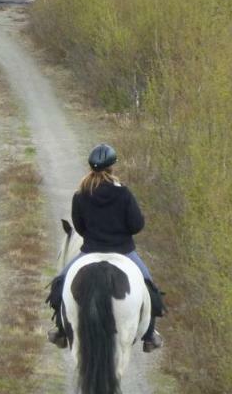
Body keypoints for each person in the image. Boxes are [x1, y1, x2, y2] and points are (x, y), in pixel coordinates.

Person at [47, 143, 164, 352]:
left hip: (90, 251)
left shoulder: (80, 195)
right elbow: (137, 225)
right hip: (124, 252)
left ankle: (61, 330)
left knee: (61, 283)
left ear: (91, 168)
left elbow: (79, 226)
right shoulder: (124, 194)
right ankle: (149, 335)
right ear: (112, 168)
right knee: (149, 284)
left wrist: (95, 237)